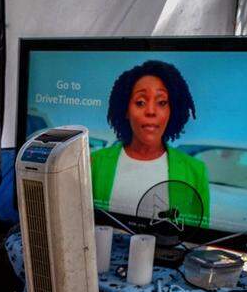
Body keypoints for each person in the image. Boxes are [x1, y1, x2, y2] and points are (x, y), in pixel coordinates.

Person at [90, 59, 210, 228]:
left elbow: (198, 240)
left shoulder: (195, 171)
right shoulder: (93, 163)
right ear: (125, 109)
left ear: (172, 111)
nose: (151, 111)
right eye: (141, 102)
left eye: (162, 102)